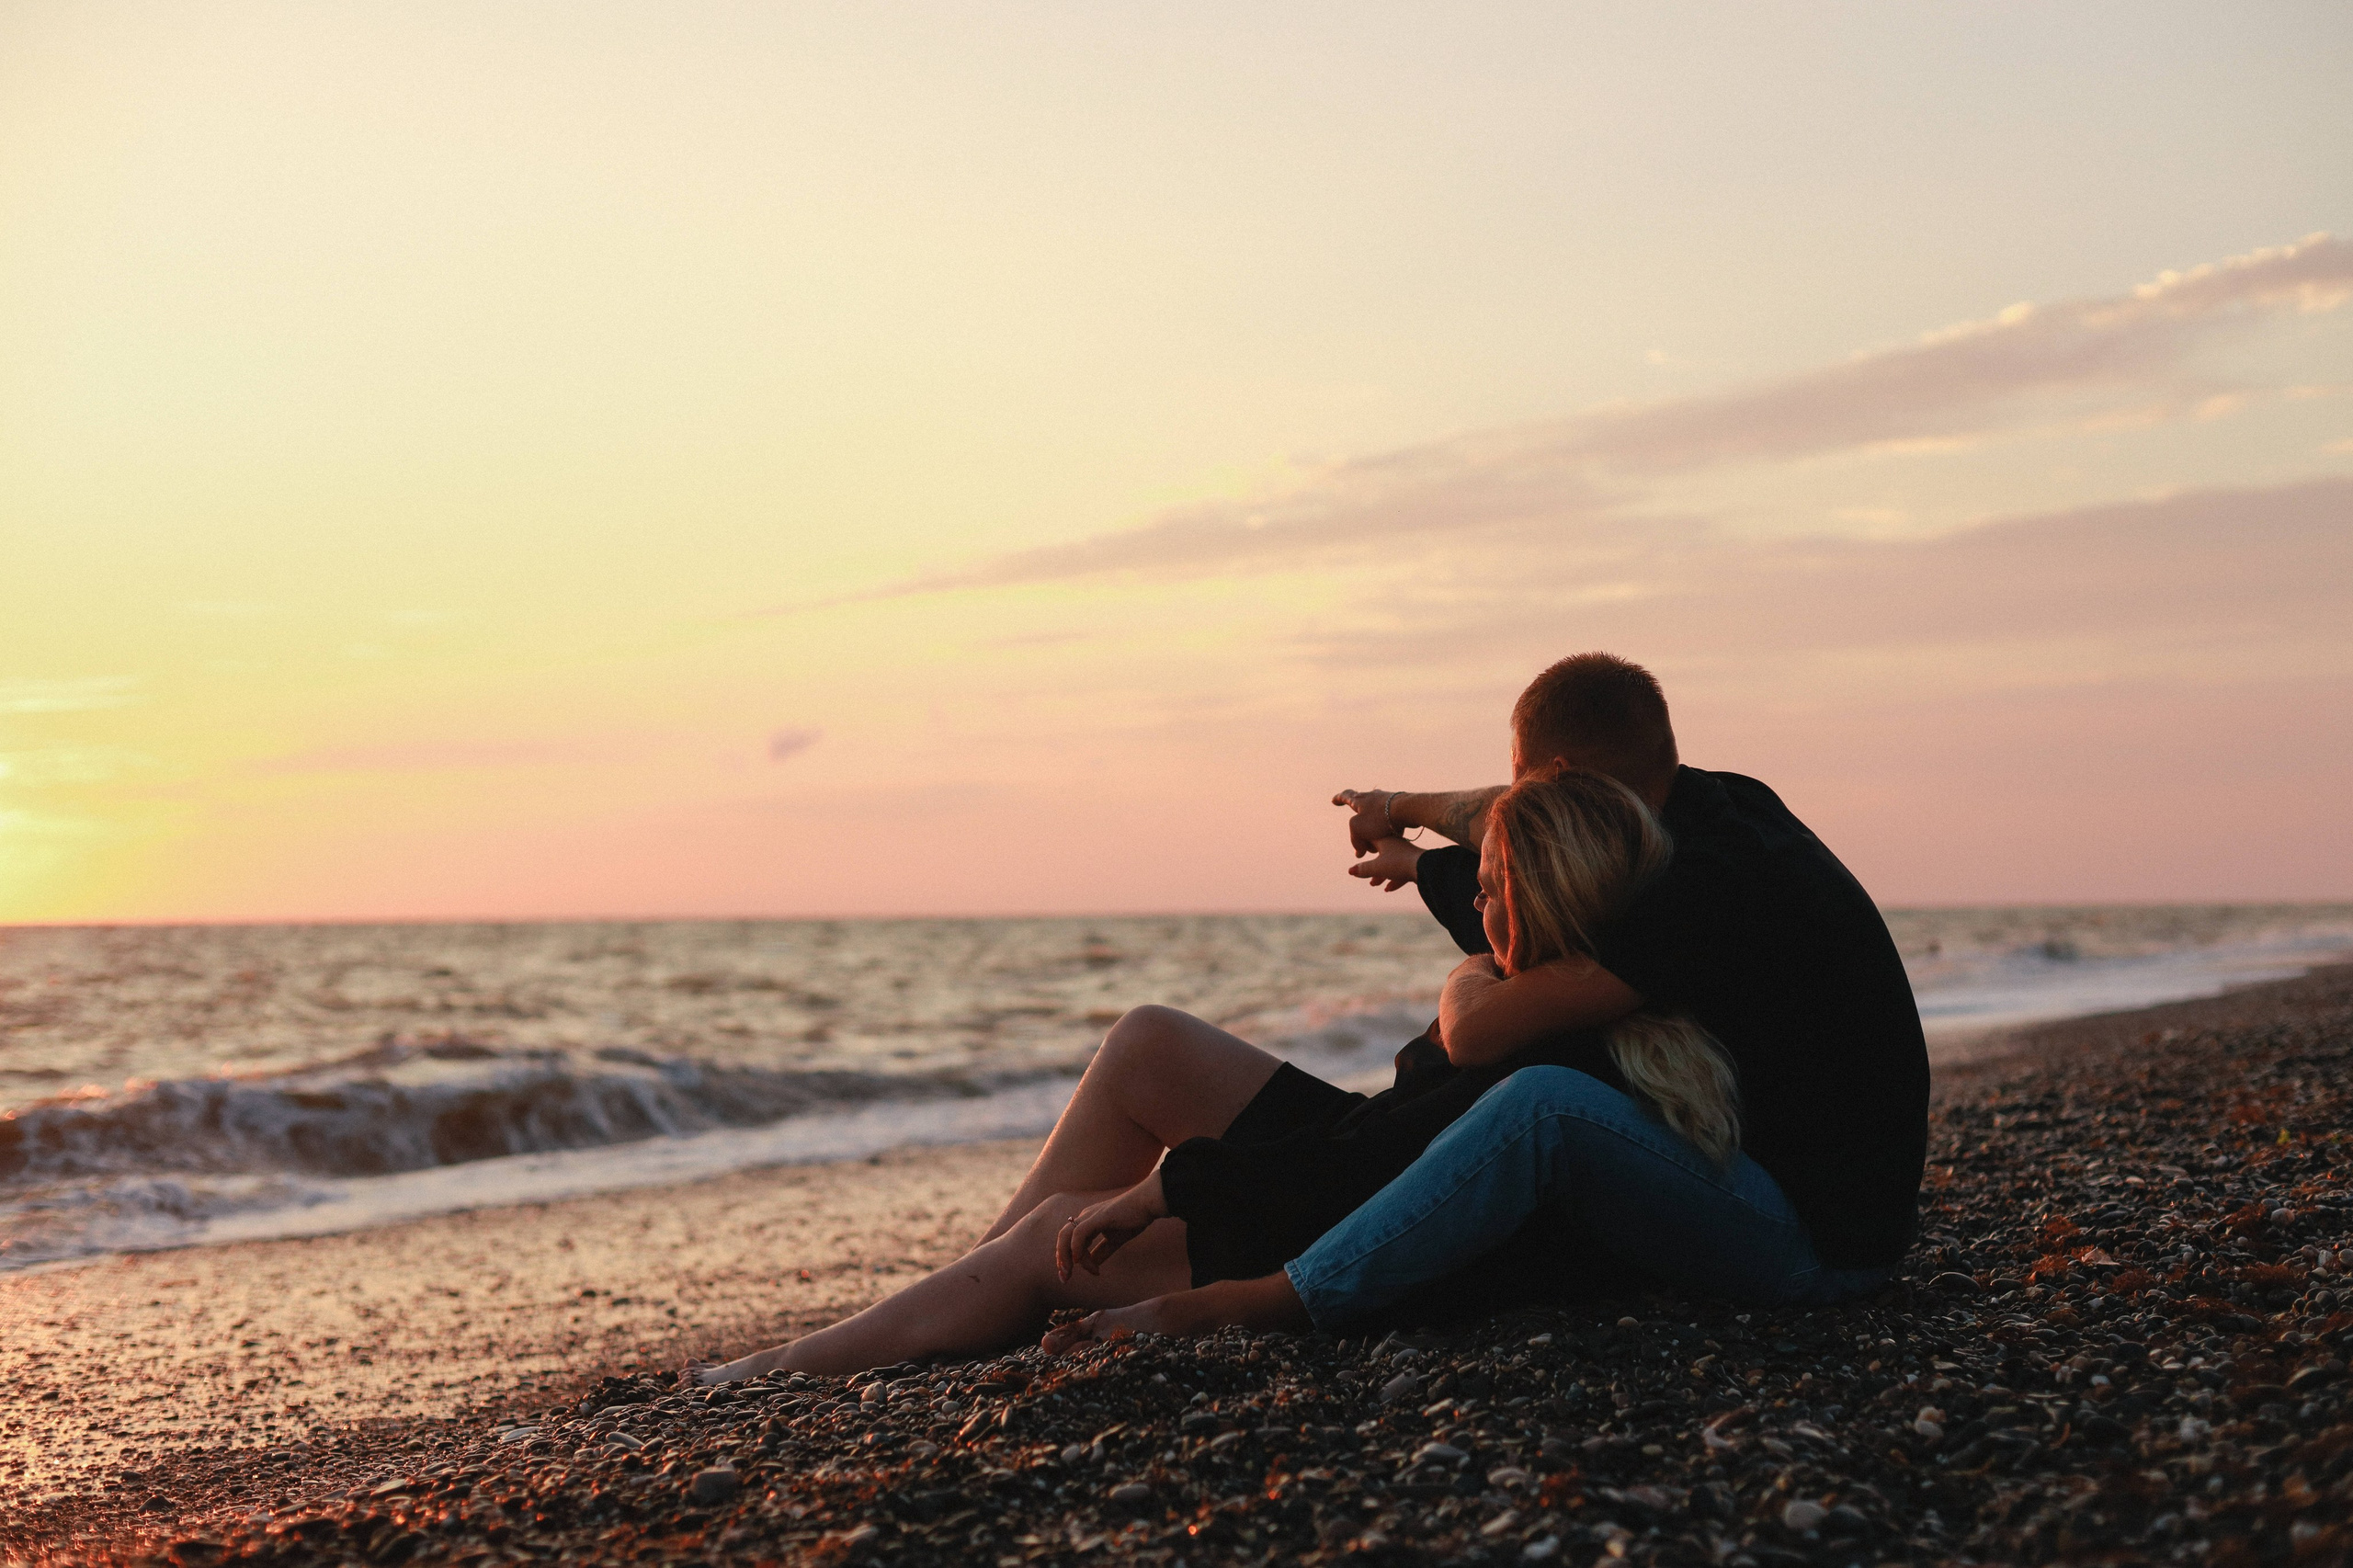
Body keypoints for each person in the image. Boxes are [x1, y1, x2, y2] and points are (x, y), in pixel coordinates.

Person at [688, 767, 1697, 1381]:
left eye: (1486, 895)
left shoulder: (1522, 1038)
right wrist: (1423, 859)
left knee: (1060, 1234)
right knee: (1150, 1041)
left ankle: (779, 1366)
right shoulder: (1576, 984)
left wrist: (1162, 1187)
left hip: (1372, 1225)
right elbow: (1384, 1132)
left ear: (1544, 900)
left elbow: (1361, 1171)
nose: (1471, 915)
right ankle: (965, 1297)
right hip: (1377, 1161)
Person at [1044, 652, 1928, 1347]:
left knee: (1544, 1105)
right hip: (1771, 1188)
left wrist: (1465, 962)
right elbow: (1509, 820)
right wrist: (1402, 815)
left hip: (1815, 1247)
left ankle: (1275, 1302)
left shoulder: (1696, 890)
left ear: (1568, 774)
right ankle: (1013, 1282)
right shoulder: (1714, 809)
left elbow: (1480, 1029)